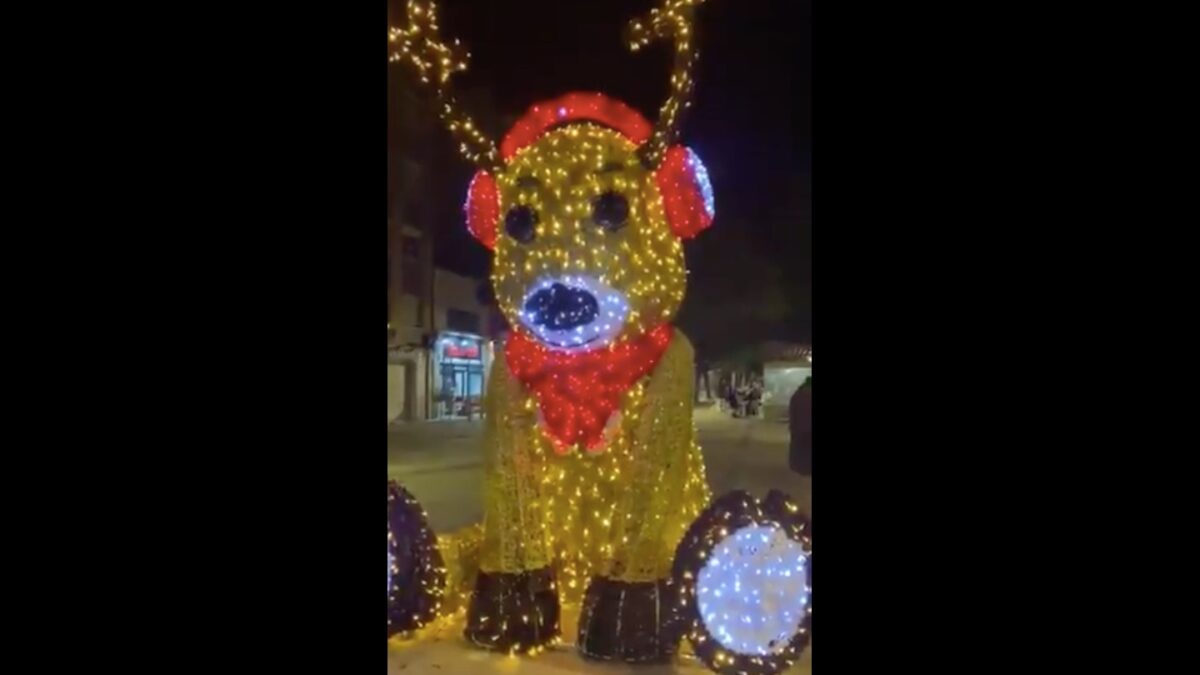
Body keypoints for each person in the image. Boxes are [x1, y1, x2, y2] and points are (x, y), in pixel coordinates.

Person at [788, 376, 812, 475]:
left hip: (800, 428)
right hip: (805, 428)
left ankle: (801, 467)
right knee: (805, 449)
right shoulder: (798, 395)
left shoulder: (797, 395)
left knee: (801, 449)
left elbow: (792, 412)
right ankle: (805, 467)